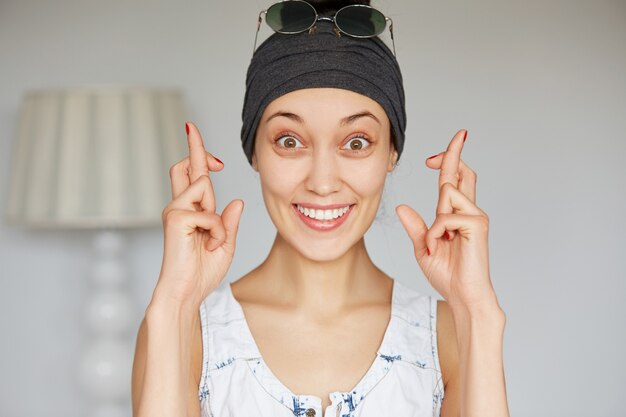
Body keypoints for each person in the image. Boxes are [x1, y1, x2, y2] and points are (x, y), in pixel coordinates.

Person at [131, 1, 510, 416]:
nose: (323, 182)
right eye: (289, 141)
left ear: (391, 153)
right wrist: (175, 304)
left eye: (357, 142)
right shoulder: (183, 330)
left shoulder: (450, 336)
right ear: (254, 151)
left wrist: (478, 313)